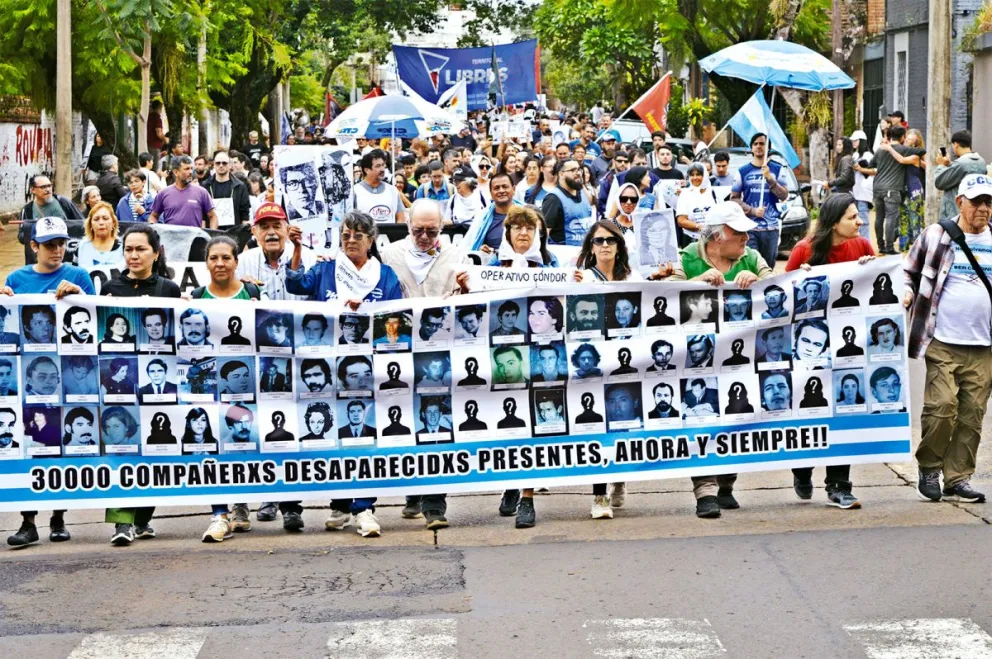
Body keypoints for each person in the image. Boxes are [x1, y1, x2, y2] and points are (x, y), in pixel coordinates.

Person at [666, 202, 771, 518]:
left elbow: (779, 286)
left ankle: (726, 483)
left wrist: (758, 280)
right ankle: (705, 491)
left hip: (740, 359)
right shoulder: (687, 257)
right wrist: (695, 284)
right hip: (697, 359)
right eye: (739, 233)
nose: (746, 239)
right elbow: (662, 293)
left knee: (736, 420)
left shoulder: (750, 258)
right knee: (702, 419)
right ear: (717, 236)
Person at [784, 193, 877, 507]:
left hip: (847, 349)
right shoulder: (804, 250)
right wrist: (801, 280)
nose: (860, 222)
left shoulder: (862, 247)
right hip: (811, 350)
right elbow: (782, 298)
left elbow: (876, 292)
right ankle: (802, 467)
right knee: (811, 410)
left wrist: (871, 271)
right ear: (834, 222)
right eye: (852, 217)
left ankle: (839, 484)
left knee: (843, 411)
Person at [905, 173, 992, 504]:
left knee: (972, 413)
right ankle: (929, 468)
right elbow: (908, 271)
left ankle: (958, 477)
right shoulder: (938, 235)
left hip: (984, 345)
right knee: (942, 406)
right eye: (977, 202)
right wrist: (906, 293)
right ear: (960, 202)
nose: (984, 208)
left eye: (989, 202)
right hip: (942, 339)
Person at [287, 211, 403, 304]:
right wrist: (297, 247)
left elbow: (395, 313)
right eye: (346, 236)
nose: (351, 240)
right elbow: (296, 286)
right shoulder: (325, 268)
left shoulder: (386, 275)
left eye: (358, 236)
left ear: (370, 241)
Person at [857, 125, 926, 254]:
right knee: (890, 217)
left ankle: (880, 246)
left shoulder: (880, 150)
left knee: (879, 217)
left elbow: (871, 165)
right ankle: (889, 247)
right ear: (902, 137)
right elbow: (922, 151)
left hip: (877, 188)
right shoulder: (904, 149)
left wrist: (860, 167)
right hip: (892, 189)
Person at [381, 199, 470, 299]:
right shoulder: (389, 255)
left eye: (432, 231)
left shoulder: (457, 257)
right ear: (408, 224)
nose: (424, 236)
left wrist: (465, 290)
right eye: (417, 230)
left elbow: (468, 302)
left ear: (441, 226)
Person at [730, 133, 790, 267]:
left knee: (767, 267)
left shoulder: (778, 169)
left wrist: (770, 178)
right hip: (749, 228)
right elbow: (734, 199)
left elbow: (784, 196)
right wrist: (752, 210)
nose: (758, 146)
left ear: (767, 148)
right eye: (755, 144)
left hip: (771, 228)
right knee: (752, 265)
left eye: (762, 144)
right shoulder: (742, 171)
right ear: (751, 148)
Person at [149, 155, 218, 229]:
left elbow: (213, 216)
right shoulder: (163, 193)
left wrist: (212, 236)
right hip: (171, 239)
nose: (191, 172)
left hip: (194, 239)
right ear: (176, 172)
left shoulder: (202, 192)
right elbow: (153, 216)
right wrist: (153, 227)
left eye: (191, 168)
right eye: (186, 169)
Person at [934, 130, 987, 222]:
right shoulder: (981, 161)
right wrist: (950, 165)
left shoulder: (960, 164)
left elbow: (939, 182)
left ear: (956, 144)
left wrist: (941, 165)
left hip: (955, 214)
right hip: (974, 209)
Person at [463, 172, 519, 252]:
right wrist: (481, 250)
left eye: (505, 187)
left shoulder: (525, 214)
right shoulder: (482, 218)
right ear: (491, 193)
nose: (501, 191)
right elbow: (470, 247)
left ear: (514, 189)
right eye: (496, 188)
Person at [542, 159, 592, 245]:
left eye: (579, 169)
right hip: (564, 253)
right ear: (561, 174)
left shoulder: (583, 194)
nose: (578, 173)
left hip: (583, 251)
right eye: (573, 170)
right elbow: (544, 232)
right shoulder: (553, 198)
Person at [573, 221, 638, 283]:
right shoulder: (582, 278)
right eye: (599, 240)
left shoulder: (633, 277)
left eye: (611, 240)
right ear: (592, 248)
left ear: (618, 247)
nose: (605, 245)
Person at [351, 148, 404, 223]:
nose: (382, 169)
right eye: (378, 166)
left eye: (383, 165)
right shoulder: (355, 191)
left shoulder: (392, 190)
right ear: (367, 170)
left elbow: (401, 218)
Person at [202, 150, 251, 226]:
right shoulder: (205, 185)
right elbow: (203, 215)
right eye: (218, 163)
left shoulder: (240, 186)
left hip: (233, 231)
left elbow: (244, 214)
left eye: (224, 163)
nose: (221, 165)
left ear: (230, 165)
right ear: (214, 165)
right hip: (211, 231)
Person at [676, 163, 718, 245]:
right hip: (692, 240)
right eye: (692, 175)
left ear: (705, 175)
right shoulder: (685, 194)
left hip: (712, 239)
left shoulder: (713, 192)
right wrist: (698, 226)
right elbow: (681, 221)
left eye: (698, 174)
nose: (695, 178)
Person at [74, 202, 124, 269]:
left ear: (113, 223)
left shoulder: (124, 247)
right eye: (96, 219)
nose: (101, 223)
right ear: (90, 224)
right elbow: (74, 276)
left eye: (105, 218)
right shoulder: (81, 247)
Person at [850, 130, 874, 240]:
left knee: (863, 220)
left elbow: (874, 171)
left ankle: (865, 243)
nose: (853, 142)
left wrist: (861, 169)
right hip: (855, 191)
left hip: (864, 192)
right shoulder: (854, 155)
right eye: (853, 141)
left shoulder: (868, 155)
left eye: (856, 140)